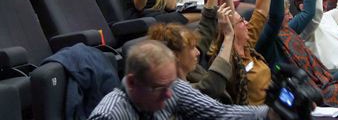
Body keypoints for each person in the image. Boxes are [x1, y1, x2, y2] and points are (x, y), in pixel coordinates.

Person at [88, 40, 273, 119]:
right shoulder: (109, 114)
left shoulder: (171, 86)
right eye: (160, 88)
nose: (169, 94)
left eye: (170, 84)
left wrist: (270, 114)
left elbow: (220, 113)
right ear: (131, 83)